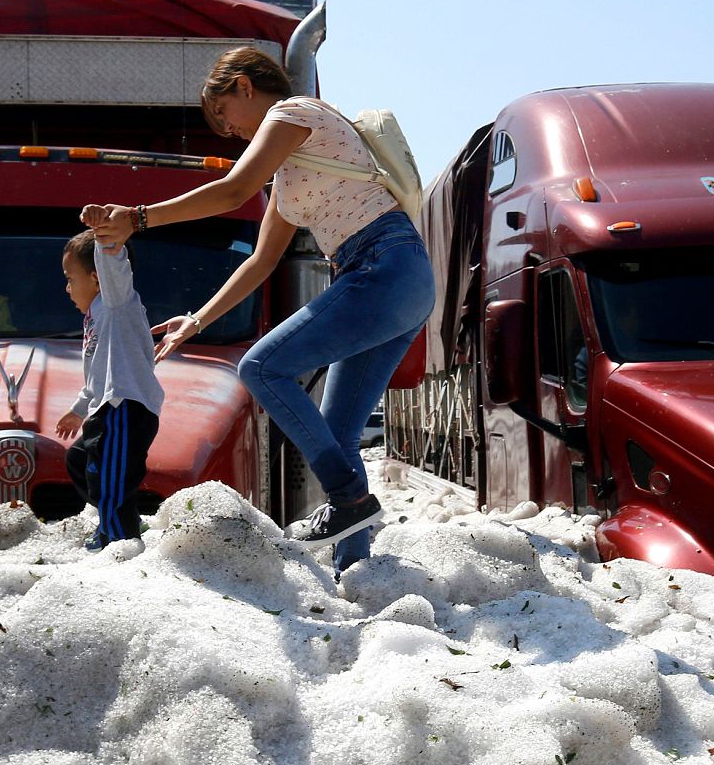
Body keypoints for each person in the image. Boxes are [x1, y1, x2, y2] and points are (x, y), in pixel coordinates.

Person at [80, 46, 434, 575]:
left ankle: (352, 501)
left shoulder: (294, 113)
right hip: (394, 279)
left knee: (261, 367)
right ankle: (354, 572)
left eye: (226, 115)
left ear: (245, 86)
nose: (232, 133)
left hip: (383, 265)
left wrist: (139, 217)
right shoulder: (290, 177)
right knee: (337, 436)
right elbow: (262, 261)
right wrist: (198, 318)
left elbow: (232, 191)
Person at [55, 230, 163, 553]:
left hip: (125, 407)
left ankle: (117, 542)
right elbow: (96, 376)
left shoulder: (115, 303)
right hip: (104, 407)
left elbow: (114, 266)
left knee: (110, 479)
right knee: (79, 461)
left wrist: (106, 237)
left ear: (97, 278)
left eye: (71, 278)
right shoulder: (94, 317)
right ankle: (121, 519)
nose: (67, 288)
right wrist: (78, 409)